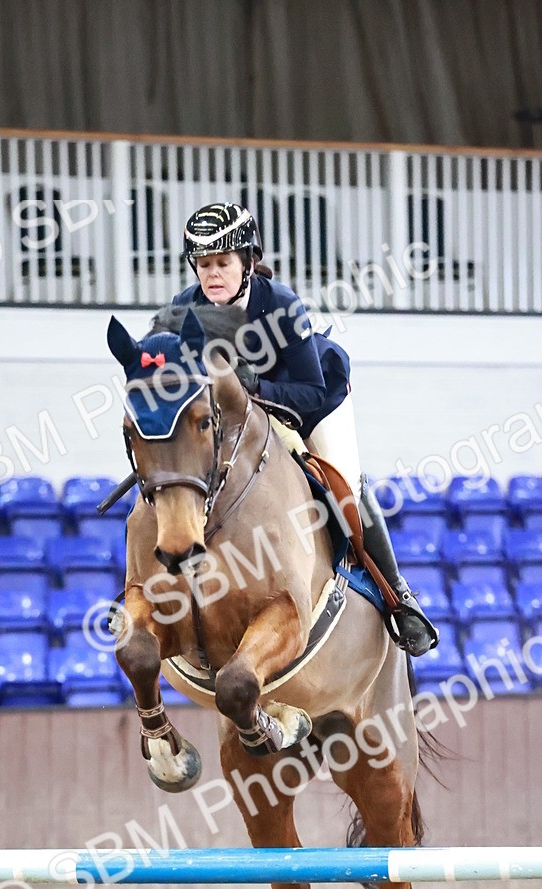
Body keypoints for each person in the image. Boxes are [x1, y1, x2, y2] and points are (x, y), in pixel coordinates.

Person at [172, 202, 438, 657]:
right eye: (204, 264)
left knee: (344, 483)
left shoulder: (280, 305)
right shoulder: (185, 310)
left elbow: (310, 392)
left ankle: (397, 596)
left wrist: (253, 386)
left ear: (247, 262)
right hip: (235, 420)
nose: (212, 274)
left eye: (222, 263)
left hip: (309, 405)